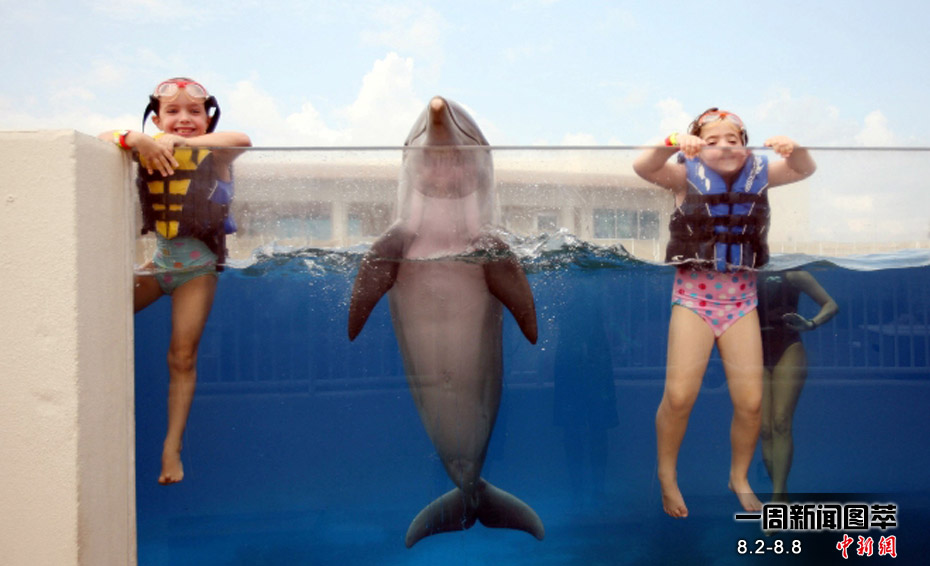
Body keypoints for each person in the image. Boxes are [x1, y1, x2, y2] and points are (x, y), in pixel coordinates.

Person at [632, 108, 816, 517]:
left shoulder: (761, 176)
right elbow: (643, 166)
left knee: (751, 404)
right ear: (696, 148)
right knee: (679, 396)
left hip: (741, 304)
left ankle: (739, 476)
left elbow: (804, 169)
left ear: (745, 147)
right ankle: (666, 475)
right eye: (712, 140)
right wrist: (672, 142)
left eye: (733, 139)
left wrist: (796, 149)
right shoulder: (682, 176)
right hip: (693, 301)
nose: (724, 146)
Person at [99, 78, 251, 484]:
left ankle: (172, 447)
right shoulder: (146, 149)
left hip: (197, 271)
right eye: (173, 111)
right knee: (97, 317)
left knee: (181, 357)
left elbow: (242, 139)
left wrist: (181, 143)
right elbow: (101, 140)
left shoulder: (216, 154)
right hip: (159, 264)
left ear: (208, 119)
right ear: (156, 119)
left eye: (194, 111)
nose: (184, 118)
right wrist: (135, 139)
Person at [758, 270, 837, 502]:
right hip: (754, 348)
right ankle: (781, 496)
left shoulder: (794, 274)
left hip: (788, 345)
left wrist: (811, 323)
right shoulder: (745, 274)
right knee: (764, 429)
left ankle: (777, 497)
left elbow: (831, 305)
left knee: (781, 421)